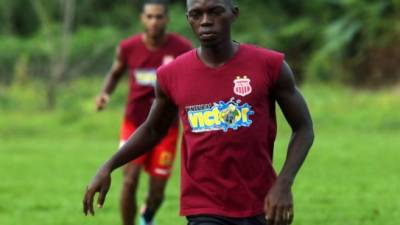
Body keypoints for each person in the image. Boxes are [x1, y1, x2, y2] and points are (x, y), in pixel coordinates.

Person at [84, 0, 314, 225]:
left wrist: (283, 184)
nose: (206, 21)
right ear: (188, 19)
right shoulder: (171, 75)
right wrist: (108, 165)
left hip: (261, 201)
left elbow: (303, 128)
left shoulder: (269, 65)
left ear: (234, 14)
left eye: (215, 12)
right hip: (204, 205)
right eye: (196, 14)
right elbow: (153, 129)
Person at [94, 0, 192, 225]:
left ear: (167, 19)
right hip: (134, 124)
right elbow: (115, 72)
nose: (154, 21)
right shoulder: (128, 47)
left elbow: (193, 78)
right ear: (142, 19)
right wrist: (104, 94)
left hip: (166, 127)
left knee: (157, 192)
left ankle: (147, 217)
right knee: (129, 181)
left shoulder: (182, 48)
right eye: (149, 16)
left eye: (159, 17)